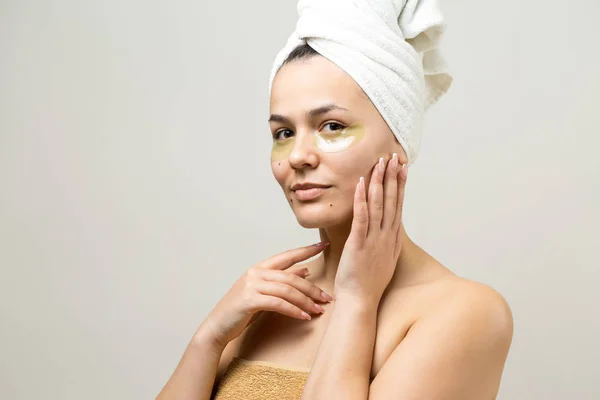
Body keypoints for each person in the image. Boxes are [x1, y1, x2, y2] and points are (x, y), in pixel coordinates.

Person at [156, 1, 513, 399]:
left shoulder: (464, 313)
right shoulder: (272, 298)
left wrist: (358, 300)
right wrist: (209, 339)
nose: (297, 156)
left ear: (400, 139)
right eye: (283, 133)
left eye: (331, 126)